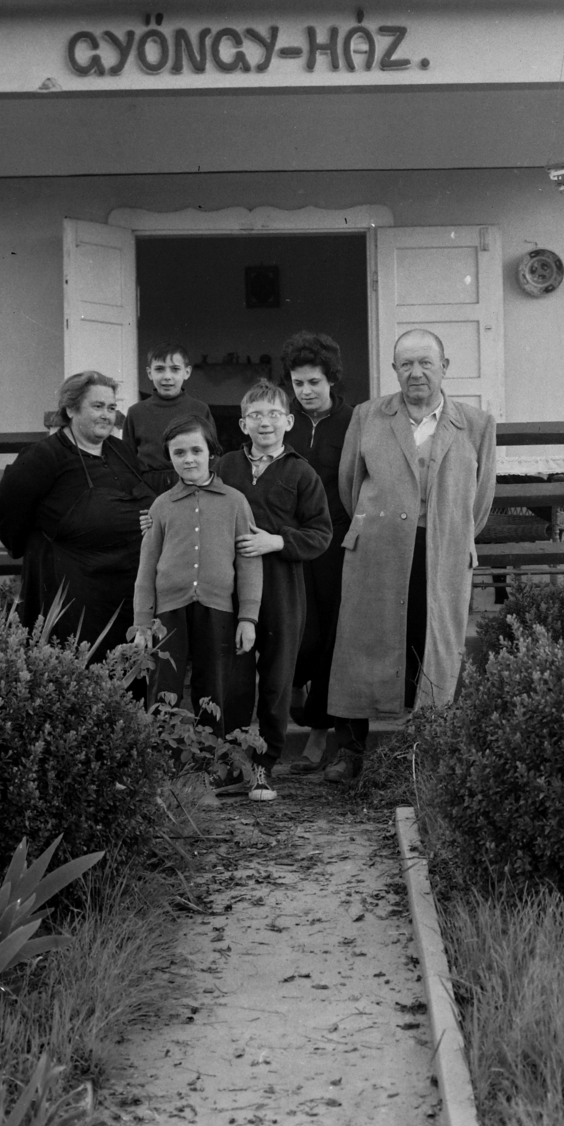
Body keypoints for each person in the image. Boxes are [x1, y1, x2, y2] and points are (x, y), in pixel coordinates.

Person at [326, 329, 496, 784]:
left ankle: (426, 753)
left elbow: (478, 502)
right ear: (395, 370)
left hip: (440, 549)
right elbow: (349, 483)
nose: (415, 372)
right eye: (405, 364)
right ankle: (352, 749)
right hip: (378, 549)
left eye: (425, 362)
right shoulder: (368, 416)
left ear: (445, 365)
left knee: (432, 642)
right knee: (364, 643)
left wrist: (452, 532)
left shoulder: (476, 424)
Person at [130, 418, 266, 795]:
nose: (188, 459)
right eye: (179, 453)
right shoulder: (161, 506)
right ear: (169, 458)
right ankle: (166, 771)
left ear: (212, 453)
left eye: (196, 451)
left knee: (214, 688)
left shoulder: (235, 502)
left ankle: (213, 770)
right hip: (168, 612)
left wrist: (247, 617)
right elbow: (146, 567)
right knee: (164, 689)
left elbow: (249, 563)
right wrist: (143, 623)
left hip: (218, 609)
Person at [0, 370, 169, 656]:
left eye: (111, 408)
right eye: (97, 406)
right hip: (74, 589)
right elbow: (10, 513)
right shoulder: (43, 456)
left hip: (122, 585)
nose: (107, 415)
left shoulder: (121, 450)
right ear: (71, 408)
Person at [215, 381, 332, 801]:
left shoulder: (302, 472)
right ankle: (233, 764)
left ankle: (264, 766)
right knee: (235, 676)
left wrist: (277, 541)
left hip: (282, 585)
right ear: (244, 423)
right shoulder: (225, 466)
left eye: (273, 414)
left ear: (289, 421)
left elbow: (320, 533)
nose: (265, 422)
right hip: (232, 586)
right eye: (256, 415)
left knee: (278, 678)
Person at [280, 331, 356, 774]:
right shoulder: (283, 421)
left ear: (331, 380)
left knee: (330, 638)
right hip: (291, 544)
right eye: (298, 383)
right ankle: (291, 695)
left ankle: (317, 740)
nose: (305, 392)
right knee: (294, 629)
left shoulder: (355, 423)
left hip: (336, 544)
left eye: (314, 382)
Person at [124, 340, 216, 471]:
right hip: (147, 486)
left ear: (187, 372)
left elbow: (212, 454)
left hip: (191, 482)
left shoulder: (200, 409)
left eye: (175, 369)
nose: (167, 376)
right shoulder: (136, 412)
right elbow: (127, 459)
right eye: (159, 369)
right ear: (150, 373)